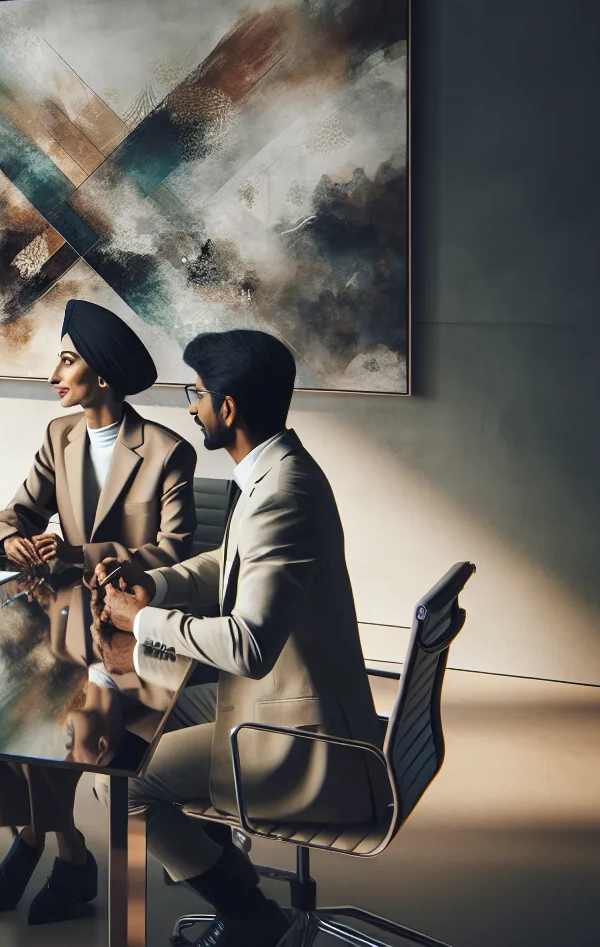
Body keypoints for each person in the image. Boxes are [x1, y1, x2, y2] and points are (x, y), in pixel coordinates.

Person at [94, 330, 383, 947]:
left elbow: (249, 646)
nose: (190, 408)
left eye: (195, 394)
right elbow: (229, 562)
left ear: (227, 408)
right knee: (131, 722)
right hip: (279, 703)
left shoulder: (282, 495)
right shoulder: (275, 471)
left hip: (296, 736)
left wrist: (140, 621)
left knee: (118, 781)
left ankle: (251, 916)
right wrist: (153, 584)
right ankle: (238, 891)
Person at [0, 300, 198, 924]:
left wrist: (80, 554)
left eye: (67, 361)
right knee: (5, 712)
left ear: (101, 374)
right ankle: (66, 847)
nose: (55, 373)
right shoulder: (60, 435)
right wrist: (10, 540)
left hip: (129, 633)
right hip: (63, 619)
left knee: (72, 723)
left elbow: (175, 554)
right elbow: (18, 510)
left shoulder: (168, 452)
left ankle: (36, 842)